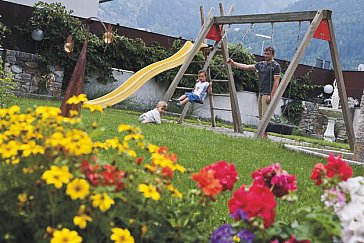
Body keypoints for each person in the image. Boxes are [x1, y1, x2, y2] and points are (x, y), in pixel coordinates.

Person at [227, 46, 281, 137]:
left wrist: (271, 96)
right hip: (261, 92)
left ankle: (264, 135)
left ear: (272, 54)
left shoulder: (275, 66)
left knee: (265, 117)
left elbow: (276, 82)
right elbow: (247, 67)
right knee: (261, 116)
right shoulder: (261, 64)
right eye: (265, 53)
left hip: (267, 93)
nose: (266, 55)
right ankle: (263, 135)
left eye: (268, 54)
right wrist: (233, 63)